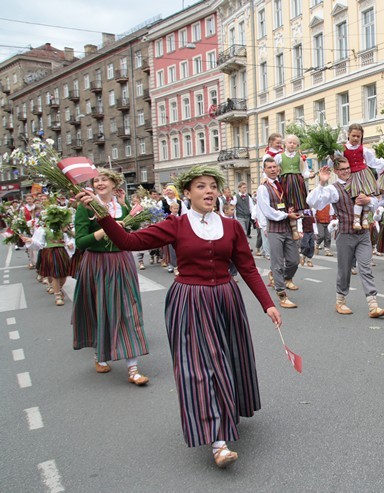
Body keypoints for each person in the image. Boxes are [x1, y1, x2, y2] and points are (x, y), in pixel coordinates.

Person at [78, 165, 281, 468]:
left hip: (225, 300)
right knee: (199, 369)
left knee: (227, 361)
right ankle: (218, 441)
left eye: (212, 186)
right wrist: (102, 214)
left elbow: (248, 267)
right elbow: (128, 242)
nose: (209, 191)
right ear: (187, 193)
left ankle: (226, 413)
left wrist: (268, 304)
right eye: (201, 186)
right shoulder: (176, 224)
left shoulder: (231, 226)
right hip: (189, 301)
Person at [72, 169, 150, 385]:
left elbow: (130, 231)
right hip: (96, 264)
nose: (99, 183)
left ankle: (133, 369)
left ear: (114, 183)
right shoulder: (85, 208)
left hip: (121, 262)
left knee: (128, 310)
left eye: (104, 179)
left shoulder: (122, 207)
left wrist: (129, 224)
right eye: (96, 180)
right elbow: (81, 242)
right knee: (100, 309)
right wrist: (106, 230)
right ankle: (99, 353)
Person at [307, 156, 384, 318]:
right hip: (345, 235)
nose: (346, 171)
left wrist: (369, 199)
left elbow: (376, 203)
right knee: (344, 271)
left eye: (348, 168)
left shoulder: (361, 183)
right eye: (342, 169)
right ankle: (340, 301)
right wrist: (322, 182)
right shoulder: (333, 188)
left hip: (363, 234)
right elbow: (313, 202)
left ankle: (373, 306)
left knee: (366, 268)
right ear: (336, 171)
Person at [257, 157, 301, 308]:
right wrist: (284, 215)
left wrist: (291, 210)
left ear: (279, 168)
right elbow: (267, 210)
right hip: (275, 228)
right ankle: (282, 295)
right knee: (277, 263)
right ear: (264, 170)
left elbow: (289, 201)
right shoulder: (263, 188)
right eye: (269, 167)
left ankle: (282, 279)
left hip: (288, 227)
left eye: (274, 167)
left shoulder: (282, 183)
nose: (273, 169)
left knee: (294, 260)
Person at [340, 123, 384, 230]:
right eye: (354, 136)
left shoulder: (364, 149)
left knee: (366, 195)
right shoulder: (343, 149)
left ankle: (365, 217)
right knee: (358, 197)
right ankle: (357, 219)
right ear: (348, 134)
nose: (356, 138)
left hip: (363, 174)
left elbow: (372, 162)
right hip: (351, 175)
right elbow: (337, 162)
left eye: (358, 136)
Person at [274, 134, 311, 240]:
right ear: (285, 144)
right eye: (290, 142)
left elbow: (304, 171)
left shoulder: (300, 157)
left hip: (297, 182)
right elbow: (274, 168)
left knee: (299, 204)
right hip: (285, 182)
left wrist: (309, 175)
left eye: (294, 143)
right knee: (287, 203)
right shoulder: (279, 157)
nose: (292, 145)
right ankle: (292, 228)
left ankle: (298, 228)